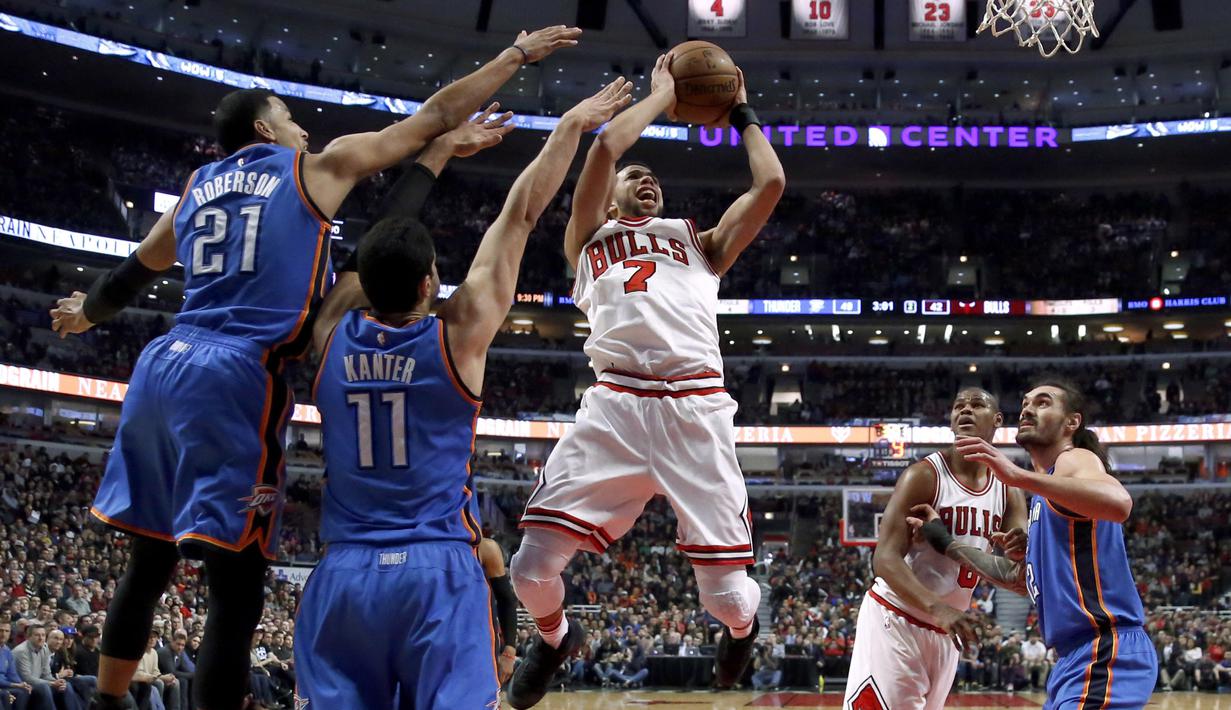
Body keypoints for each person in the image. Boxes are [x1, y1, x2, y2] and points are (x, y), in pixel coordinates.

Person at [48, 24, 582, 710]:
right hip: (234, 372)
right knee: (235, 590)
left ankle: (107, 702)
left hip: (163, 363)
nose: (302, 128)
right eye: (290, 116)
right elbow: (434, 117)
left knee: (147, 561)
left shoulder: (196, 189)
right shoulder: (309, 170)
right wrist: (512, 59)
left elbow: (133, 271)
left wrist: (87, 315)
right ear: (265, 130)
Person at [293, 78, 632, 709]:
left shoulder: (329, 331)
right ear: (429, 283)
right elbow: (520, 213)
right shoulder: (457, 335)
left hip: (343, 571)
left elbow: (374, 245)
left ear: (363, 280)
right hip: (435, 569)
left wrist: (437, 152)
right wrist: (570, 126)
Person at [507, 52, 785, 708]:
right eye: (636, 176)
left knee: (726, 598)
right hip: (616, 406)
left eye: (654, 177)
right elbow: (606, 146)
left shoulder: (698, 241)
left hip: (694, 407)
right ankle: (553, 640)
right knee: (529, 569)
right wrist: (664, 95)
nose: (648, 180)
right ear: (609, 197)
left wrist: (741, 112)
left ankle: (742, 631)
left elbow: (771, 182)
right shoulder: (587, 240)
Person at [913, 378, 1158, 709]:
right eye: (1025, 403)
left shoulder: (1074, 460)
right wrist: (945, 541)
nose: (1027, 409)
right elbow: (1018, 580)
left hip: (1105, 648)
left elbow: (1120, 503)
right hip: (1075, 660)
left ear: (1072, 422)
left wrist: (1018, 476)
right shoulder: (1047, 495)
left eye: (1043, 403)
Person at [844, 388, 1027, 710]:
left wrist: (1021, 549)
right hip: (897, 616)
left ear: (997, 420)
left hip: (946, 628)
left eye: (977, 405)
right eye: (959, 406)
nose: (965, 410)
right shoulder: (925, 475)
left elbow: (1019, 574)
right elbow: (884, 558)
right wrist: (938, 608)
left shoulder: (1008, 489)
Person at [478, 538, 519, 686]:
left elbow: (506, 600)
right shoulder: (416, 545)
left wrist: (509, 651)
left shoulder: (483, 548)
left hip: (478, 647)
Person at [14, 625, 82, 710]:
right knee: (44, 687)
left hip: (39, 683)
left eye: (43, 635)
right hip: (23, 685)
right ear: (28, 637)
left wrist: (57, 682)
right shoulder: (22, 651)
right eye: (37, 635)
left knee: (65, 685)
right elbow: (27, 678)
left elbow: (46, 674)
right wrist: (52, 683)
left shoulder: (44, 649)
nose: (41, 638)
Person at [0, 620, 33, 710]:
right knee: (5, 695)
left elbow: (12, 674)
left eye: (7, 631)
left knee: (24, 691)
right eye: (1, 630)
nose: (3, 634)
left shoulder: (7, 650)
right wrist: (14, 685)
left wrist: (21, 684)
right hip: (3, 687)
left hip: (5, 685)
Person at [155, 633, 192, 710]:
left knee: (184, 681)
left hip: (169, 678)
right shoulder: (165, 652)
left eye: (183, 645)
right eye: (178, 644)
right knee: (176, 682)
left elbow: (185, 668)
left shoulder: (179, 652)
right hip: (160, 678)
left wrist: (194, 675)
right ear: (172, 641)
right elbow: (172, 672)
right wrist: (193, 675)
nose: (180, 647)